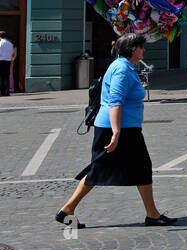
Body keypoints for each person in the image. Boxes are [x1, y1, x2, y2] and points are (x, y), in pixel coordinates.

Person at [57, 34, 176, 228]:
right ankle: (67, 209)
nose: (143, 50)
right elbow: (115, 102)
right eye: (140, 47)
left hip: (124, 128)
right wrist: (116, 133)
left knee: (138, 168)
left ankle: (152, 214)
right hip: (119, 129)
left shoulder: (125, 66)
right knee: (103, 169)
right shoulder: (122, 69)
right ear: (132, 49)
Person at [0, 30, 15, 96]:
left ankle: (2, 92)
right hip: (7, 62)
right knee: (6, 77)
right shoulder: (10, 44)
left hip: (0, 62)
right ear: (5, 36)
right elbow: (11, 54)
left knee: (0, 77)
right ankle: (7, 92)